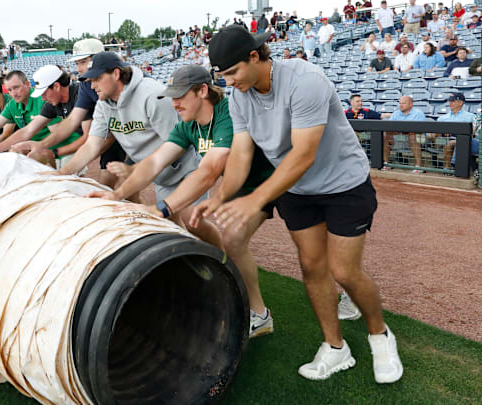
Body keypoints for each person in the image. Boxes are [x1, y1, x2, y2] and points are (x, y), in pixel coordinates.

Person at [206, 25, 403, 383]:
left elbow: (303, 155)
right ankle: (335, 347)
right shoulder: (238, 97)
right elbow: (241, 154)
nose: (229, 82)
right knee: (312, 268)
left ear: (255, 57)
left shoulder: (305, 80)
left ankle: (380, 336)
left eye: (233, 72)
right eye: (224, 76)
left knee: (344, 271)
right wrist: (219, 197)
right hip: (297, 191)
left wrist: (255, 199)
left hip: (344, 184)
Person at [89, 63, 277, 338]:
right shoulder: (187, 124)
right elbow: (155, 161)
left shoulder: (227, 114)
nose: (174, 103)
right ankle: (260, 315)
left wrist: (162, 208)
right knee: (234, 238)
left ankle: (348, 293)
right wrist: (117, 194)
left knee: (322, 257)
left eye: (180, 95)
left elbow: (209, 172)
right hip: (247, 183)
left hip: (282, 176)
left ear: (203, 91)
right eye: (172, 96)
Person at [48, 51, 202, 212]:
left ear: (116, 73)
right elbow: (92, 145)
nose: (93, 86)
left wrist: (134, 172)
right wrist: (62, 173)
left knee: (191, 220)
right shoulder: (103, 104)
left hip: (184, 168)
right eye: (91, 80)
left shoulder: (152, 95)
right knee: (174, 220)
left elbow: (175, 145)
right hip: (158, 174)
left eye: (97, 79)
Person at [10, 39, 128, 189]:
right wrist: (44, 146)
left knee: (127, 185)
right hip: (118, 134)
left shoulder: (133, 87)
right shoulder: (87, 85)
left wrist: (54, 153)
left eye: (83, 62)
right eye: (77, 63)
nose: (79, 69)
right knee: (114, 187)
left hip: (134, 135)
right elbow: (74, 121)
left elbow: (104, 135)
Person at [0, 65, 85, 167]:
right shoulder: (51, 103)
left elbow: (90, 137)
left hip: (84, 142)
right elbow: (27, 130)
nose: (42, 98)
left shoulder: (80, 96)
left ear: (56, 86)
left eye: (44, 93)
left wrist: (51, 152)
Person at [434, 93, 478, 171]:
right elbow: (437, 132)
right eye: (450, 101)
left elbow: (473, 133)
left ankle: (451, 166)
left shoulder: (471, 116)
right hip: (446, 139)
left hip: (464, 139)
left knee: (454, 143)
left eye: (453, 101)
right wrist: (443, 132)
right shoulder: (442, 118)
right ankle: (447, 168)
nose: (450, 103)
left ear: (461, 103)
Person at [384, 96, 426, 172]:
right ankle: (386, 164)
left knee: (413, 136)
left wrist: (400, 131)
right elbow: (389, 128)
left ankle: (419, 166)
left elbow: (419, 130)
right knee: (385, 135)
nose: (401, 105)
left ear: (411, 104)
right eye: (400, 103)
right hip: (399, 139)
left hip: (416, 140)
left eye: (403, 103)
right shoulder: (396, 113)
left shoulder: (418, 114)